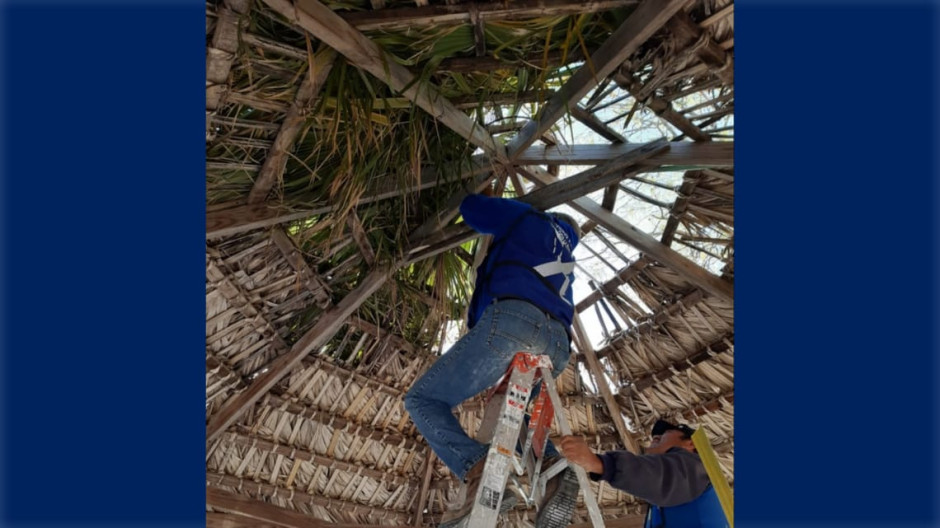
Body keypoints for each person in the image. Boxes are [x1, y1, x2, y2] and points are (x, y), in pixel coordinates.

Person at [404, 191, 582, 528]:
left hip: (515, 321)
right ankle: (553, 471)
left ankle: (478, 467)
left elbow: (471, 207)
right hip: (558, 343)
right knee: (508, 412)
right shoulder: (566, 257)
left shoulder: (530, 218)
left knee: (423, 399)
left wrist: (510, 206)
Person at [558, 420, 729, 528]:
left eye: (665, 433)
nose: (655, 436)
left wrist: (599, 463)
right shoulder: (667, 500)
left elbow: (659, 476)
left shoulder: (699, 469)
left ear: (690, 443)